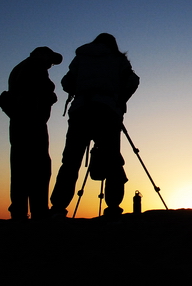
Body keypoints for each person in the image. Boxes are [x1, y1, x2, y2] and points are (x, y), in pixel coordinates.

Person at [50, 33, 139, 219]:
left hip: (81, 111)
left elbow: (66, 82)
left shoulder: (81, 56)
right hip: (107, 112)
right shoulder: (118, 59)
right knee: (112, 159)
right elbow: (133, 81)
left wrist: (81, 88)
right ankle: (113, 207)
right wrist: (119, 99)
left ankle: (58, 207)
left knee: (71, 160)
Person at [7, 46, 62, 220]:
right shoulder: (35, 67)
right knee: (39, 168)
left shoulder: (20, 68)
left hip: (19, 123)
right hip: (32, 123)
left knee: (20, 169)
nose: (50, 65)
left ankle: (19, 212)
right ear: (42, 55)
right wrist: (51, 97)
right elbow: (39, 91)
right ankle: (39, 212)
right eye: (50, 61)